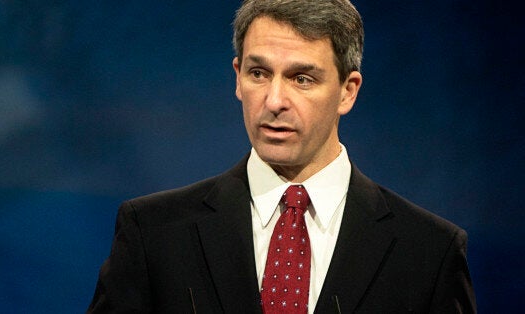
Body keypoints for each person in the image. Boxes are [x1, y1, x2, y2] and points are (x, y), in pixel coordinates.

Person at [87, 0, 477, 313]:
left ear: (348, 91)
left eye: (301, 78)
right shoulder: (154, 232)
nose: (274, 101)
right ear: (237, 76)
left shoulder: (429, 252)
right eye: (258, 73)